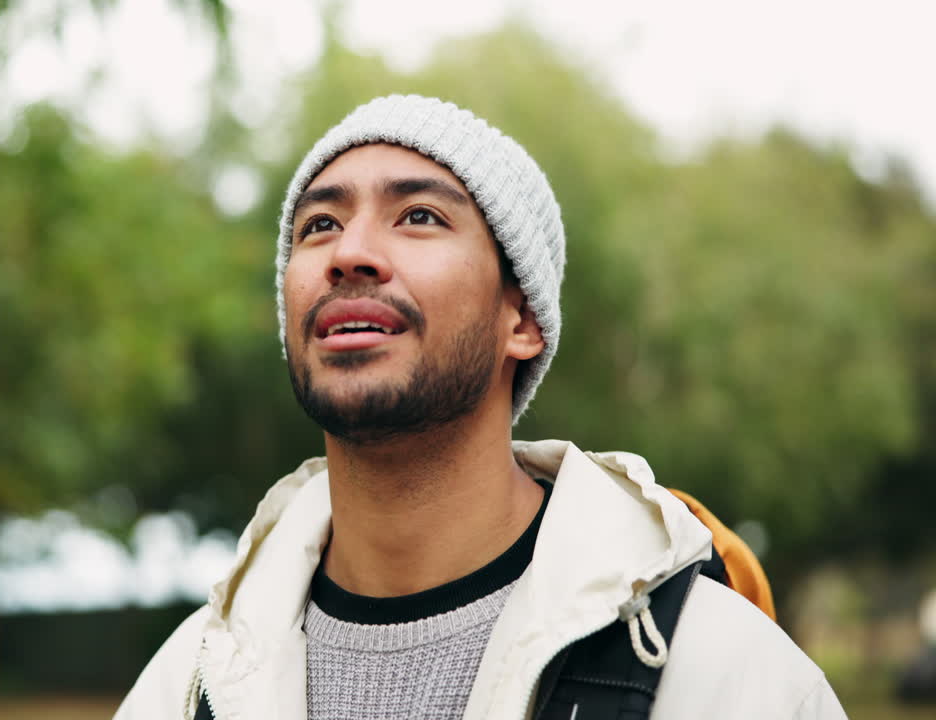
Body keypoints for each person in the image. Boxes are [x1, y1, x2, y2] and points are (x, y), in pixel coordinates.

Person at [115, 95, 846, 719]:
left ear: (521, 321)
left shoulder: (723, 677)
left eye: (420, 216)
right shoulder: (188, 686)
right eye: (319, 226)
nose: (349, 253)